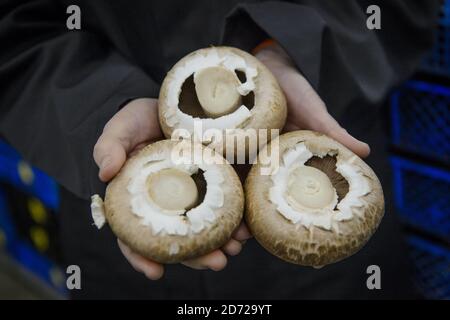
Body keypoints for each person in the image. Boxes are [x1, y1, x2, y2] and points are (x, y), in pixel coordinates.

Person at [0, 0, 439, 299]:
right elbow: (15, 26)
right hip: (120, 223)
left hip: (325, 209)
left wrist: (284, 46)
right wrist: (102, 110)